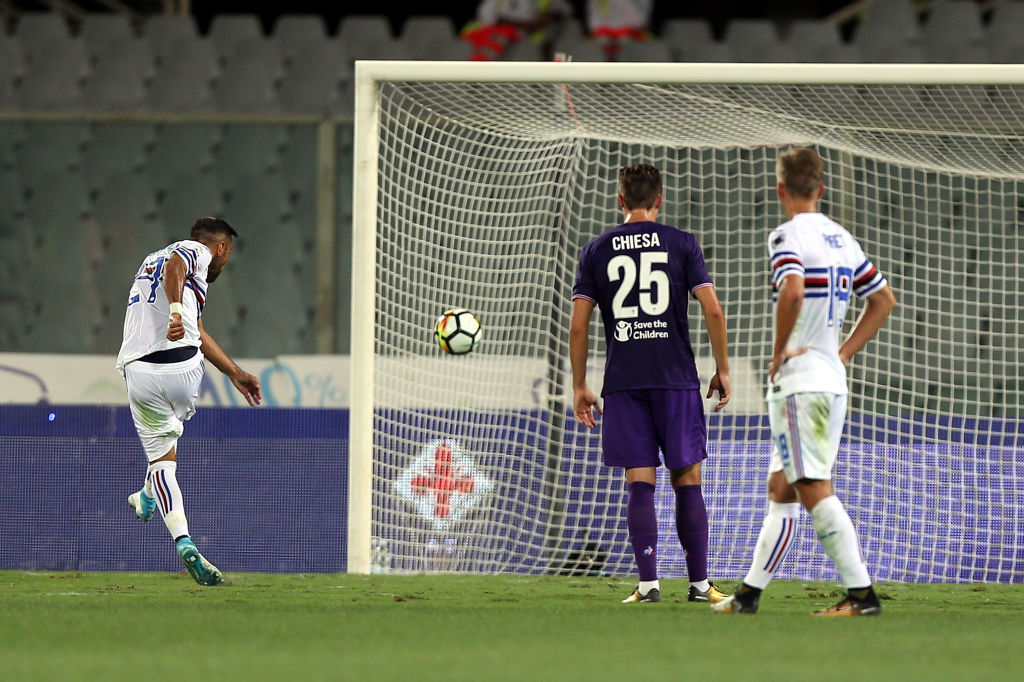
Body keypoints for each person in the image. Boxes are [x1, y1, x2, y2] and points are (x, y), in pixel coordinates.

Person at [712, 147, 897, 616]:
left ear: (780, 191)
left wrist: (778, 352)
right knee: (782, 486)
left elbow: (792, 288)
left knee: (812, 484)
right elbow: (883, 300)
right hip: (830, 380)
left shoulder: (786, 236)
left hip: (800, 383)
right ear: (822, 189)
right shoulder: (842, 239)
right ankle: (749, 596)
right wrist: (843, 353)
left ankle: (862, 596)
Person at [570, 163, 732, 604]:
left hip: (624, 382)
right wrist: (723, 368)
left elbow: (579, 328)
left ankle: (648, 585)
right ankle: (699, 586)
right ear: (659, 199)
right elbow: (713, 311)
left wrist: (580, 384)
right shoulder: (681, 243)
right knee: (687, 479)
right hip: (675, 378)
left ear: (619, 200)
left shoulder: (596, 250)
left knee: (639, 481)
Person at [116, 217, 262, 586]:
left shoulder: (149, 261)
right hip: (183, 369)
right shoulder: (194, 252)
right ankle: (147, 495)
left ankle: (182, 540)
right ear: (221, 248)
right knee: (166, 448)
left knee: (162, 460)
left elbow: (194, 321)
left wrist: (232, 370)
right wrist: (177, 313)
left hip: (140, 373)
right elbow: (177, 264)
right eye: (226, 256)